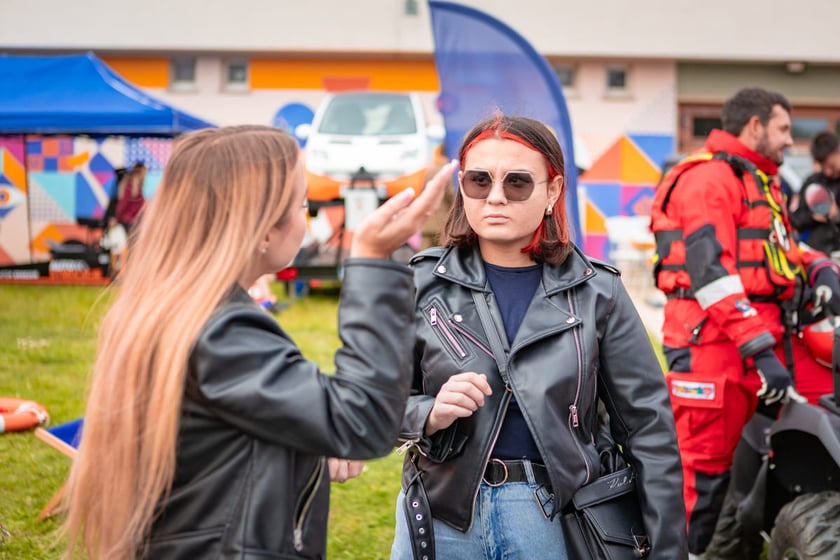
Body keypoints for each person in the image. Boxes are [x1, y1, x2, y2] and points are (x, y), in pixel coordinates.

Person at [62, 125, 454, 559]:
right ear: (263, 230)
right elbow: (361, 418)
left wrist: (302, 451)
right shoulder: (220, 330)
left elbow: (214, 447)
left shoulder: (186, 312)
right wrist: (371, 261)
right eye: (301, 204)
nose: (305, 220)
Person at [391, 115, 688, 559]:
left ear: (552, 191)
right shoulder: (421, 283)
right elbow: (373, 402)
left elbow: (650, 430)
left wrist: (668, 550)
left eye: (516, 183)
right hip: (440, 514)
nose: (495, 197)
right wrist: (428, 412)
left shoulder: (597, 293)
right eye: (479, 180)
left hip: (552, 517)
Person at [650, 87, 840, 558]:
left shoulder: (760, 181)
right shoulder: (709, 180)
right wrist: (759, 350)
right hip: (713, 344)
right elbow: (710, 275)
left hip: (758, 338)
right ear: (754, 126)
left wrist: (819, 267)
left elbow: (781, 248)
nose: (790, 141)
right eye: (782, 129)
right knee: (701, 475)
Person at [789, 130, 840, 256]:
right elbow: (796, 219)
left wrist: (836, 215)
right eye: (824, 167)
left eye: (832, 166)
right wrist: (813, 216)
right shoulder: (812, 182)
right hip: (817, 253)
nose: (828, 172)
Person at [115, 161, 148, 233]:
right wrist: (117, 219)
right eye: (145, 173)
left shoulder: (137, 188)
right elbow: (123, 204)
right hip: (129, 221)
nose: (146, 175)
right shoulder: (130, 186)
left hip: (134, 222)